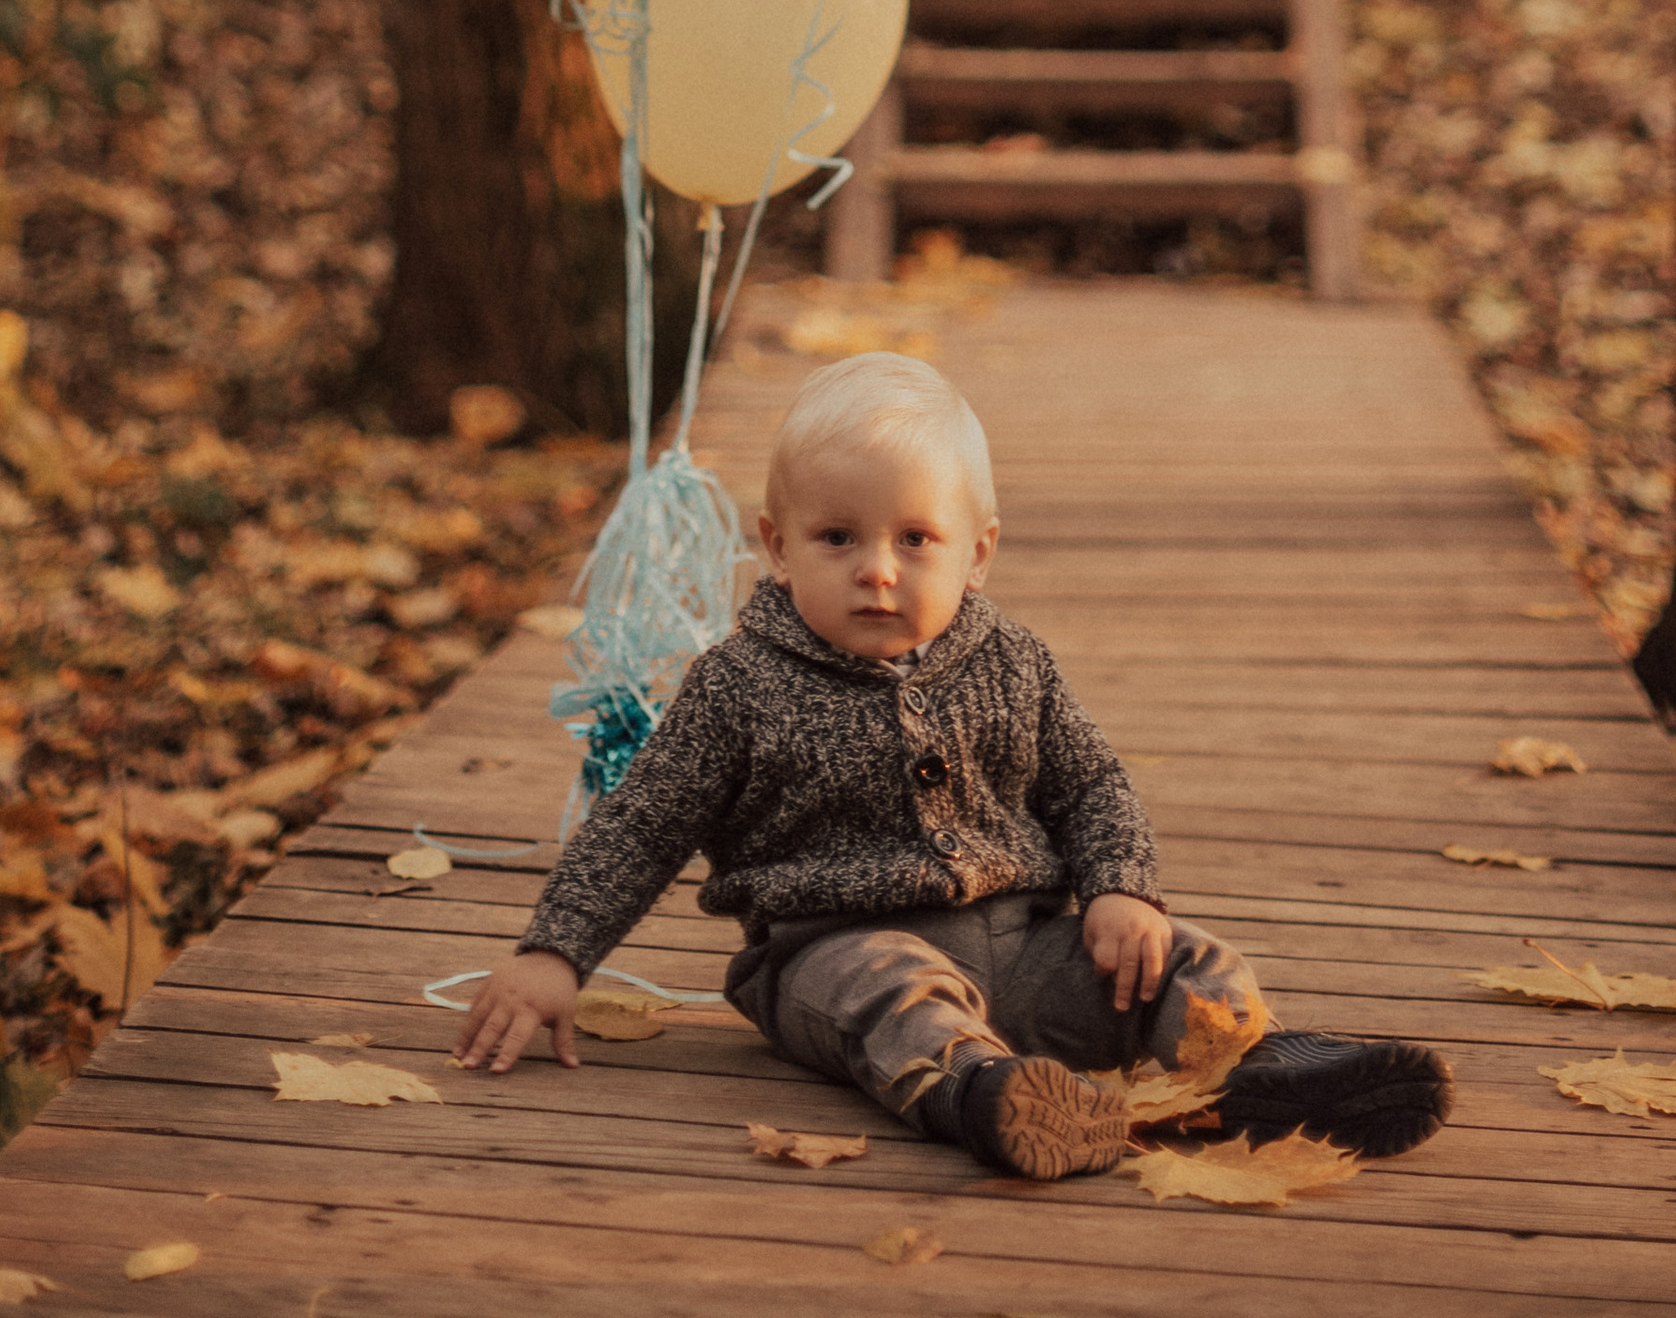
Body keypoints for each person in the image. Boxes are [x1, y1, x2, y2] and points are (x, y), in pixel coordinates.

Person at [449, 350, 1452, 1182]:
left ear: (977, 552)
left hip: (1024, 948)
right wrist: (557, 950)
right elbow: (643, 824)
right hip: (825, 949)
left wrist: (1119, 891)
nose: (876, 568)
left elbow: (1090, 785)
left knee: (1171, 958)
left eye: (914, 538)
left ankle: (1252, 1068)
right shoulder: (735, 687)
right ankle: (991, 1099)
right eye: (837, 537)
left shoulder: (1013, 662)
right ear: (776, 547)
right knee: (886, 994)